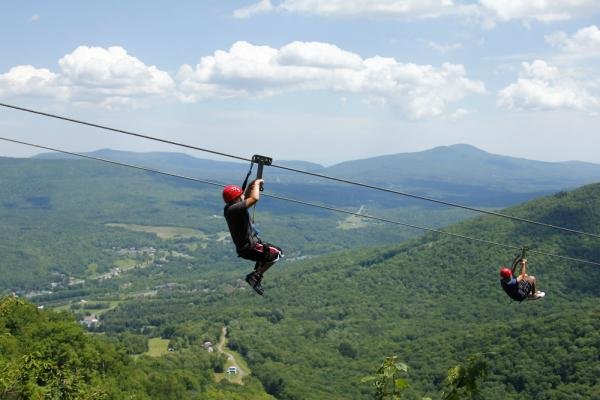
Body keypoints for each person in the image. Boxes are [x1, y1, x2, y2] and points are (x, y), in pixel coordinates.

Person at [223, 179, 283, 295]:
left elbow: (244, 198)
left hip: (247, 247)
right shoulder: (234, 209)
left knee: (275, 252)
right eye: (240, 195)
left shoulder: (230, 208)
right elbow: (254, 199)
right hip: (250, 247)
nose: (243, 196)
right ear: (236, 199)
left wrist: (250, 186)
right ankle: (255, 276)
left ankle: (257, 271)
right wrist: (255, 185)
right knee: (277, 254)